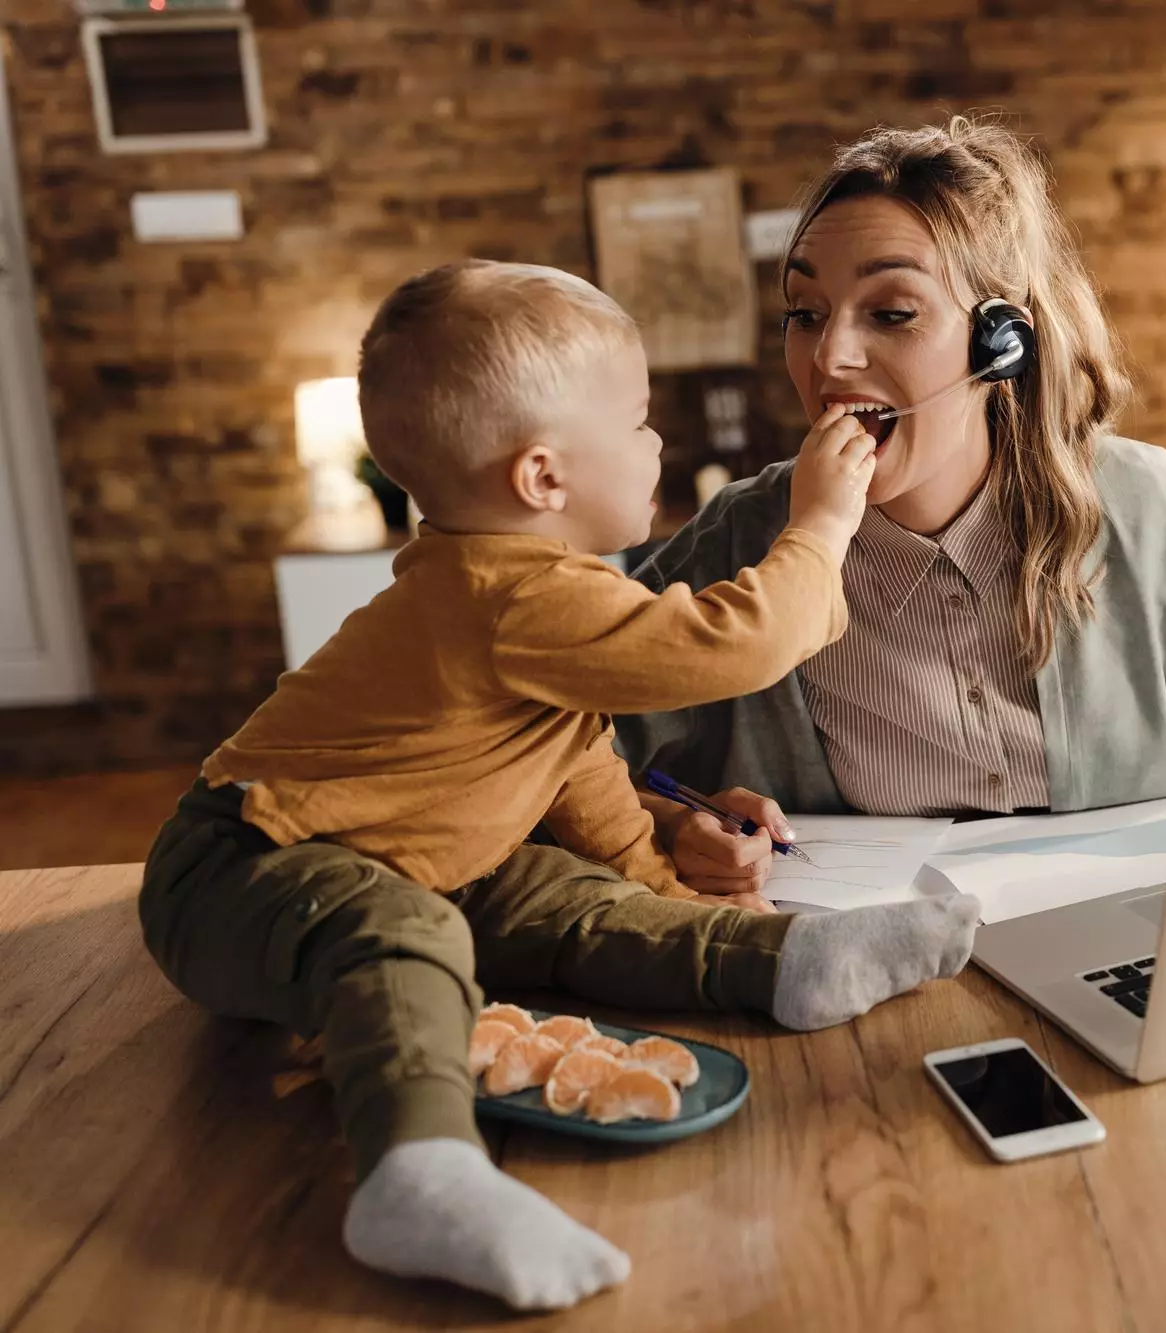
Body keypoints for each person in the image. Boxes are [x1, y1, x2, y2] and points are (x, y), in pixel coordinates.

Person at [137, 260, 979, 1312]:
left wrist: (664, 890)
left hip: (409, 857)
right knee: (398, 937)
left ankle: (778, 957)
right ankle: (418, 1169)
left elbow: (588, 782)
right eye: (634, 422)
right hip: (238, 866)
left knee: (558, 892)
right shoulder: (506, 596)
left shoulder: (541, 601)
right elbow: (740, 642)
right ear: (542, 479)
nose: (656, 442)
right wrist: (820, 523)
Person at [619, 117, 1166, 901]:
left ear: (1001, 346)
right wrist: (665, 822)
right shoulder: (744, 538)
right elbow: (553, 751)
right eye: (806, 312)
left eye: (891, 312)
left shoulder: (1151, 509)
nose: (828, 358)